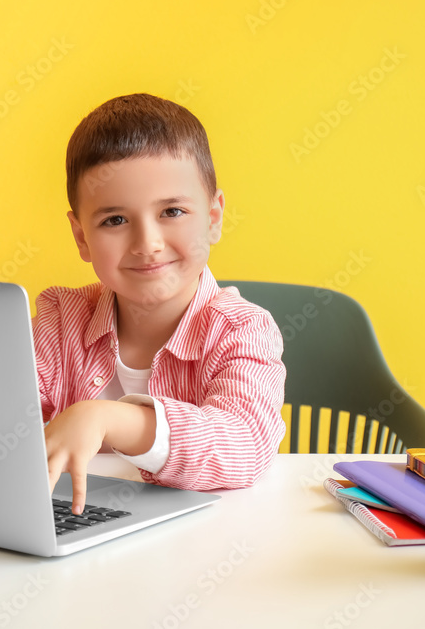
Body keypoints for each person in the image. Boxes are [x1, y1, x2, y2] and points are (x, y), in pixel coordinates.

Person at [33, 93, 286, 515]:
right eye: (115, 220)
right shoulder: (60, 322)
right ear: (81, 237)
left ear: (213, 217)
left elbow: (243, 447)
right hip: (83, 539)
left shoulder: (242, 330)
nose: (147, 244)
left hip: (207, 550)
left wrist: (106, 418)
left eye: (172, 210)